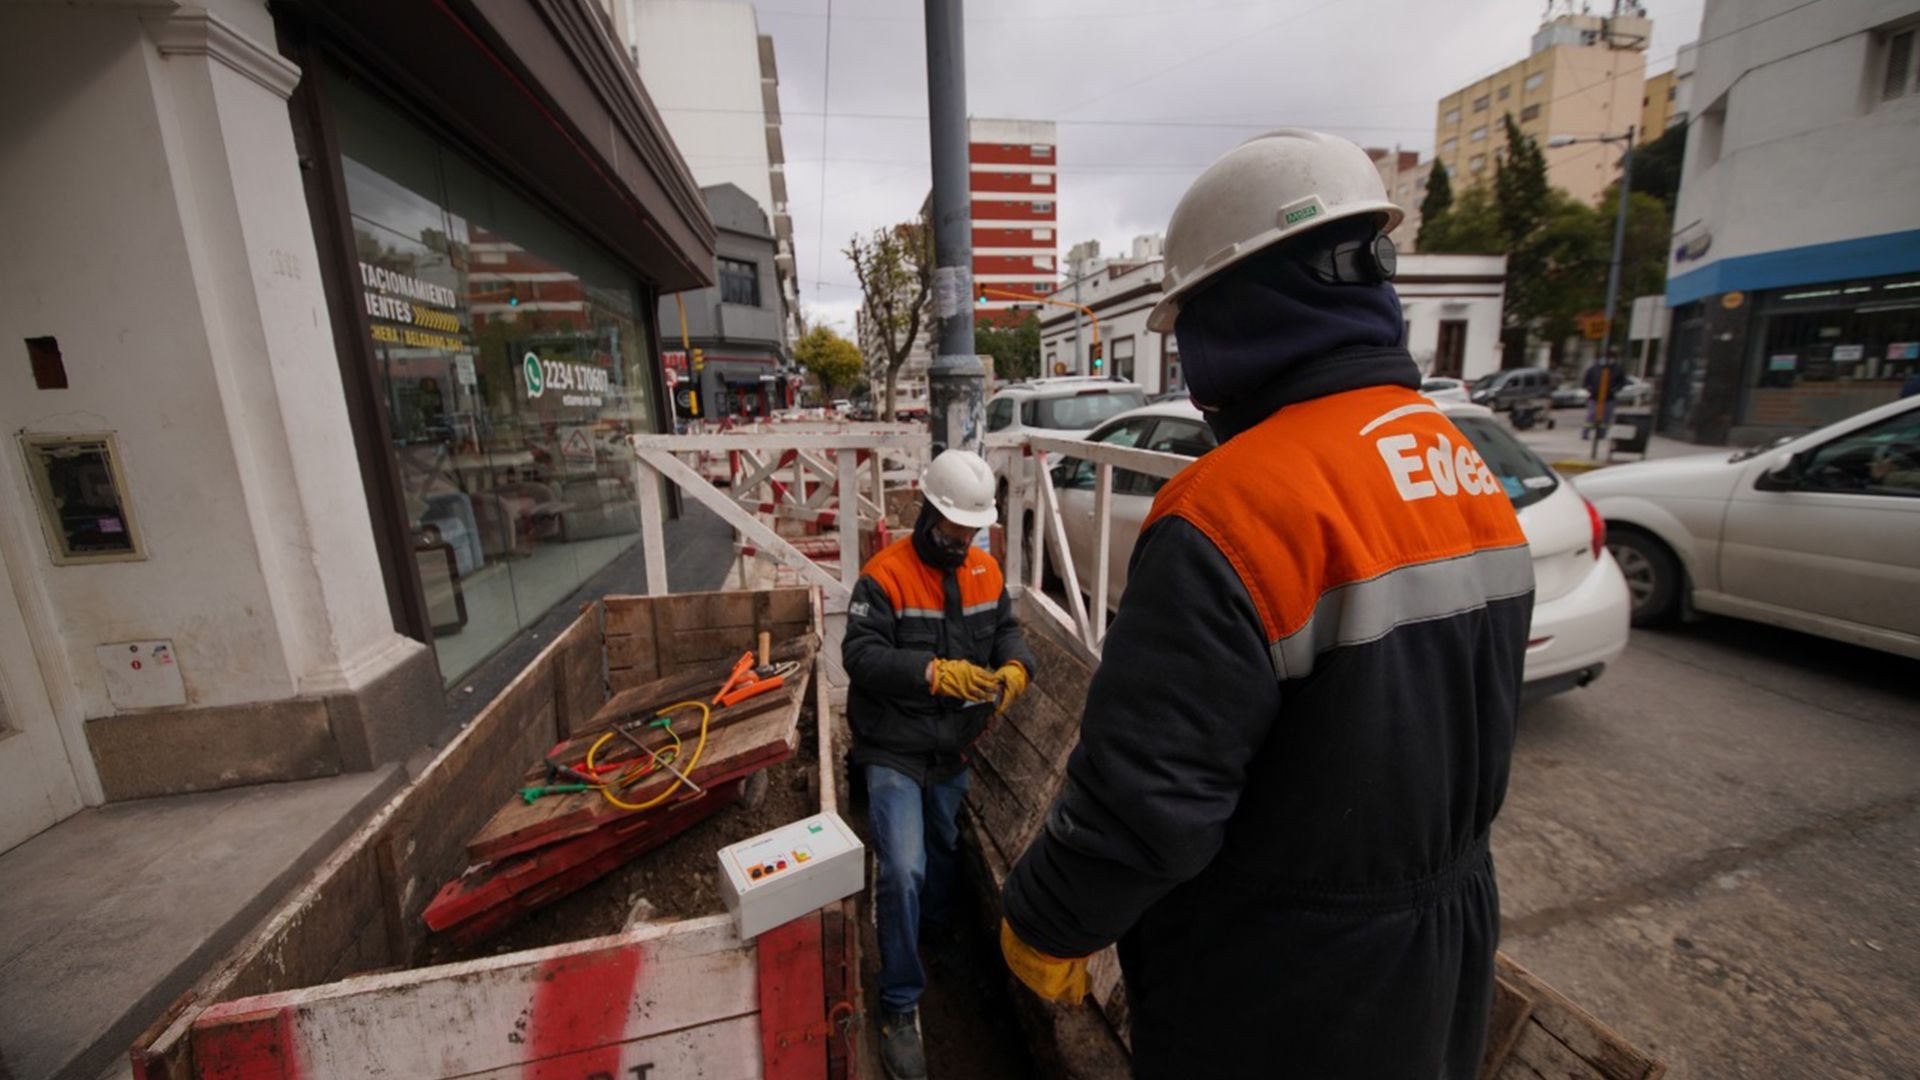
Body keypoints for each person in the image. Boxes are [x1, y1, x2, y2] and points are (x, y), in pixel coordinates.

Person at [997, 129, 1534, 1078]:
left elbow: (1147, 801)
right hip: (1442, 957)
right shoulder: (1466, 472)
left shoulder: (1231, 509)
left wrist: (1044, 919)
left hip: (1282, 990)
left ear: (1236, 311)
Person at [842, 449, 1037, 1080]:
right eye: (951, 529)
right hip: (894, 746)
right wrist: (930, 672)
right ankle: (900, 1001)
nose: (960, 543)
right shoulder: (885, 576)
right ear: (927, 511)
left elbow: (1007, 630)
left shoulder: (985, 570)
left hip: (953, 748)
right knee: (902, 867)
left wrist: (1015, 667)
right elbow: (860, 656)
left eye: (970, 532)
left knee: (944, 850)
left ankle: (934, 937)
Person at [1583, 355, 1628, 436]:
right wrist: (1590, 388)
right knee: (1592, 414)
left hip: (1609, 397)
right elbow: (1586, 381)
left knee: (1606, 417)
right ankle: (1585, 433)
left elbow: (1622, 382)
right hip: (1594, 396)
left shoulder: (1617, 369)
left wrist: (1615, 389)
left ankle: (1601, 433)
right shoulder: (1594, 369)